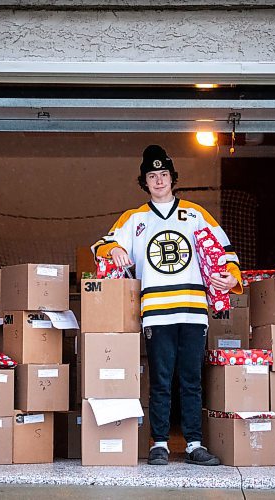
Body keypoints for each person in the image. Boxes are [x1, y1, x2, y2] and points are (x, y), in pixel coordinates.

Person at [91, 145, 242, 466]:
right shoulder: (134, 219)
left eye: (163, 175)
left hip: (193, 310)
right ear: (144, 182)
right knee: (160, 380)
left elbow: (225, 251)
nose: (158, 181)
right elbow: (102, 245)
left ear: (173, 178)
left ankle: (194, 444)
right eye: (151, 176)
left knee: (191, 379)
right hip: (156, 311)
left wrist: (231, 278)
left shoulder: (197, 214)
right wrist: (114, 249)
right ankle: (158, 442)